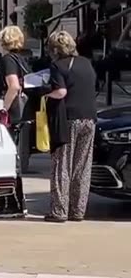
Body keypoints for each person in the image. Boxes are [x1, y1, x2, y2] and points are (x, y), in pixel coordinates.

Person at [44, 30, 98, 222]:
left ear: (54, 49)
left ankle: (59, 211)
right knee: (82, 166)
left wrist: (45, 95)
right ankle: (78, 210)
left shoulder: (58, 65)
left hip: (68, 118)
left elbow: (61, 92)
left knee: (62, 164)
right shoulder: (86, 63)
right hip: (89, 117)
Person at [0, 26, 30, 218]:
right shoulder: (20, 59)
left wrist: (2, 109)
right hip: (19, 115)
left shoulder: (7, 60)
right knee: (13, 158)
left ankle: (11, 203)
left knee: (8, 160)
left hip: (10, 116)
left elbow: (13, 86)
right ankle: (16, 202)